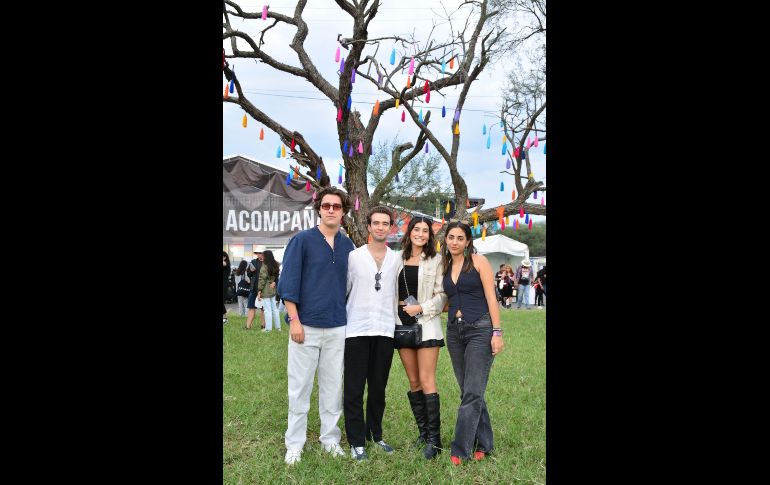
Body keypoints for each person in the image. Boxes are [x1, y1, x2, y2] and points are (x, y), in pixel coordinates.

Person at [276, 186, 356, 465]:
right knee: (299, 387)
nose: (331, 210)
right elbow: (288, 285)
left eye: (336, 206)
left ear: (343, 212)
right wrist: (294, 320)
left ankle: (330, 439)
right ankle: (294, 444)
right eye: (326, 206)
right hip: (305, 326)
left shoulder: (348, 246)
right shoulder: (302, 240)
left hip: (337, 326)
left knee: (333, 387)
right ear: (319, 209)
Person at [441, 221, 505, 465]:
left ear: (468, 241)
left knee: (472, 392)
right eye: (451, 237)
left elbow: (491, 295)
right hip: (454, 332)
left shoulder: (479, 261)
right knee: (469, 391)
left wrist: (496, 332)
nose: (455, 242)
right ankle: (485, 443)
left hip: (480, 329)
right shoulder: (446, 264)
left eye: (460, 238)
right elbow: (448, 298)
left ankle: (460, 449)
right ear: (446, 239)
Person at [343, 206, 401, 461]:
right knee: (354, 388)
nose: (380, 227)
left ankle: (375, 435)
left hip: (385, 328)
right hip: (356, 328)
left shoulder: (396, 259)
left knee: (378, 388)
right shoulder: (354, 257)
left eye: (384, 223)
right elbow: (344, 290)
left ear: (391, 228)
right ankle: (356, 442)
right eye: (375, 223)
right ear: (368, 226)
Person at [395, 216, 448, 459]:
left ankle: (435, 441)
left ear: (430, 235)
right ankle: (424, 433)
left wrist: (421, 308)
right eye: (416, 229)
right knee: (413, 381)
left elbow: (442, 295)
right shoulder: (396, 258)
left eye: (425, 231)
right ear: (409, 232)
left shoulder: (437, 260)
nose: (420, 234)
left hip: (426, 324)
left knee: (427, 379)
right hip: (401, 326)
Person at [256, 250, 281, 332]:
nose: (261, 257)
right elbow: (277, 276)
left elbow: (262, 280)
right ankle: (278, 328)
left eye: (262, 256)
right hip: (273, 288)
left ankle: (268, 329)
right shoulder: (276, 265)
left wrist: (259, 290)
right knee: (274, 309)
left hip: (266, 289)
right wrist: (274, 282)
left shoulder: (264, 266)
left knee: (267, 310)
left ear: (266, 257)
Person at [245, 246, 266, 330]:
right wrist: (251, 271)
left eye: (260, 253)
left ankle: (263, 325)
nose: (258, 255)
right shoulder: (253, 261)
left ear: (264, 253)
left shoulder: (268, 263)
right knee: (251, 307)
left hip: (264, 289)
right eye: (257, 253)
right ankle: (248, 326)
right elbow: (249, 274)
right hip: (253, 288)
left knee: (263, 308)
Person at [223, 251, 231, 324]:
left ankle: (225, 318)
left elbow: (224, 264)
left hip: (224, 285)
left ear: (224, 257)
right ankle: (225, 318)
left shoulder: (227, 263)